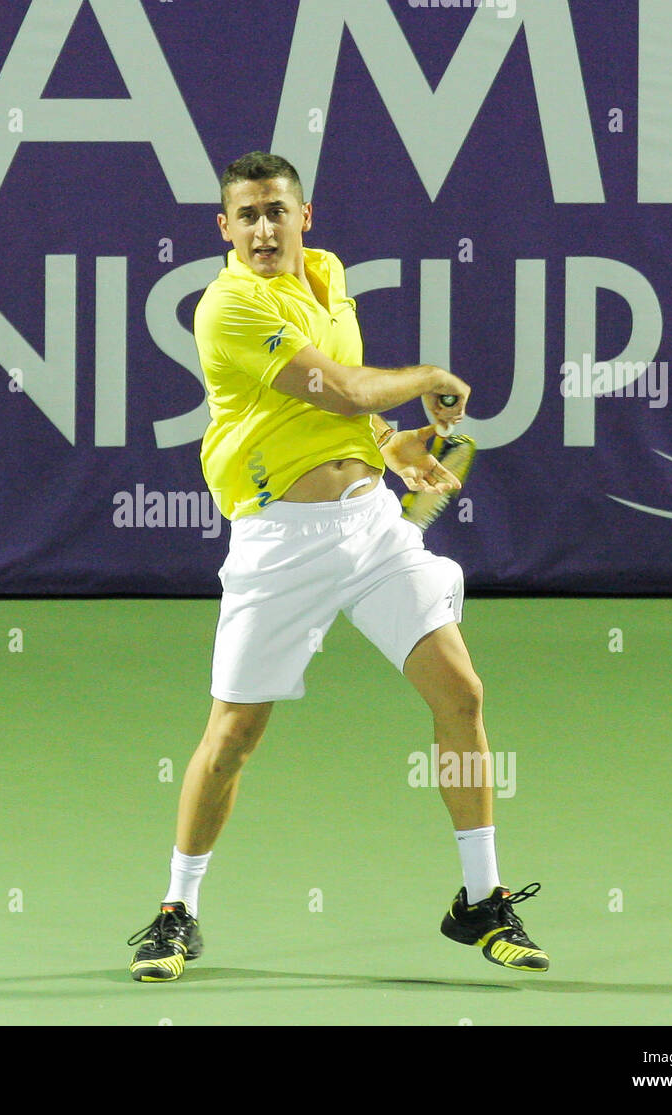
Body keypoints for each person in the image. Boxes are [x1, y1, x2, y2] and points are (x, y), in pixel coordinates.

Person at [126, 152, 547, 982]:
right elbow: (344, 390)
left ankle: (480, 898)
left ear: (303, 216)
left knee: (460, 692)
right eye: (244, 215)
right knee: (233, 736)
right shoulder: (229, 305)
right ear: (224, 229)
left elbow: (338, 418)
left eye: (275, 211)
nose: (261, 229)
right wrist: (422, 380)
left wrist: (388, 450)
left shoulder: (327, 276)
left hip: (372, 529)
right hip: (280, 540)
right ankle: (177, 911)